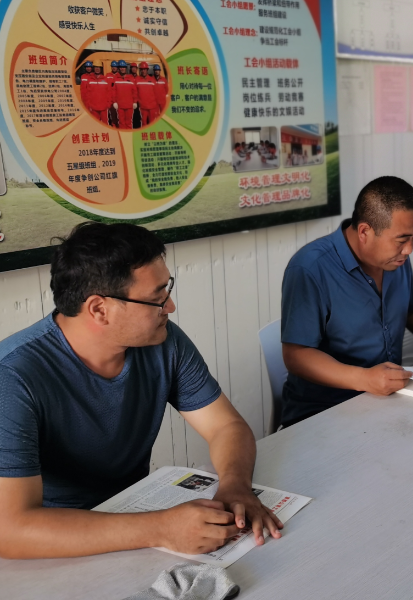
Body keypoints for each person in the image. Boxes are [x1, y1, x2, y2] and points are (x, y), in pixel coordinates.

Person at [0, 223, 282, 559]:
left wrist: (235, 486)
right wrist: (161, 529)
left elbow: (225, 426)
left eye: (167, 290)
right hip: (56, 541)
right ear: (99, 309)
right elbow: (11, 529)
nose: (170, 306)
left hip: (135, 513)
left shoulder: (164, 342)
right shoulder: (13, 376)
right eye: (156, 298)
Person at [280, 176, 413, 426]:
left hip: (386, 399)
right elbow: (296, 355)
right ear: (364, 231)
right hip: (324, 412)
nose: (409, 249)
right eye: (402, 240)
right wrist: (364, 379)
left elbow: (412, 311)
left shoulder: (396, 259)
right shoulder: (311, 268)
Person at [113, 60, 136, 130]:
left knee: (129, 123)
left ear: (126, 68)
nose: (122, 69)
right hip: (120, 106)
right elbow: (113, 91)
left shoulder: (131, 78)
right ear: (118, 68)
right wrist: (114, 102)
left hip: (129, 105)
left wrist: (135, 102)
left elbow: (134, 91)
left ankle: (129, 135)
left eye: (123, 67)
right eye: (120, 67)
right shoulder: (115, 78)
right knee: (121, 123)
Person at [136, 62, 158, 126]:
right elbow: (135, 92)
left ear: (147, 70)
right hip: (143, 107)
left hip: (152, 107)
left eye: (145, 69)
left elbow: (156, 93)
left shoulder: (152, 80)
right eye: (142, 69)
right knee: (143, 123)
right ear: (140, 70)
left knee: (152, 123)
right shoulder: (137, 80)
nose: (143, 71)